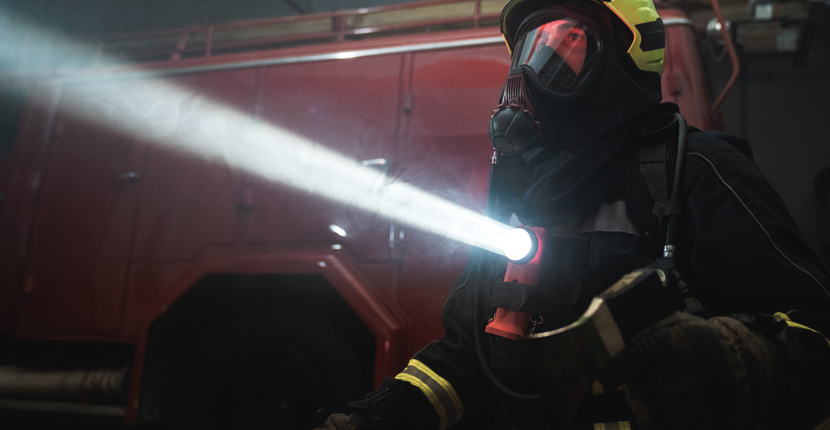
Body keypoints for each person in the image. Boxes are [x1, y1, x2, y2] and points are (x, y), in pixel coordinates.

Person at [314, 0, 830, 428]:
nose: (529, 77)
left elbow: (815, 333)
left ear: (626, 59)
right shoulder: (518, 197)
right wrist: (376, 419)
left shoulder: (695, 170)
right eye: (527, 53)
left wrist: (728, 357)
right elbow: (467, 356)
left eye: (563, 47)